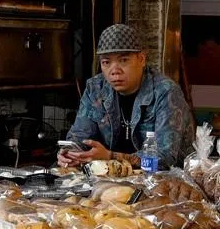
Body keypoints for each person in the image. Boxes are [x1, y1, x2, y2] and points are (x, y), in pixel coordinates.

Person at [58, 24, 194, 169]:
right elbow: (80, 135)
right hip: (108, 176)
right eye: (106, 62)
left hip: (163, 181)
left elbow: (165, 158)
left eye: (123, 60)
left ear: (141, 59)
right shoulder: (95, 88)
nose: (114, 71)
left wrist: (111, 157)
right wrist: (71, 154)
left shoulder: (166, 92)